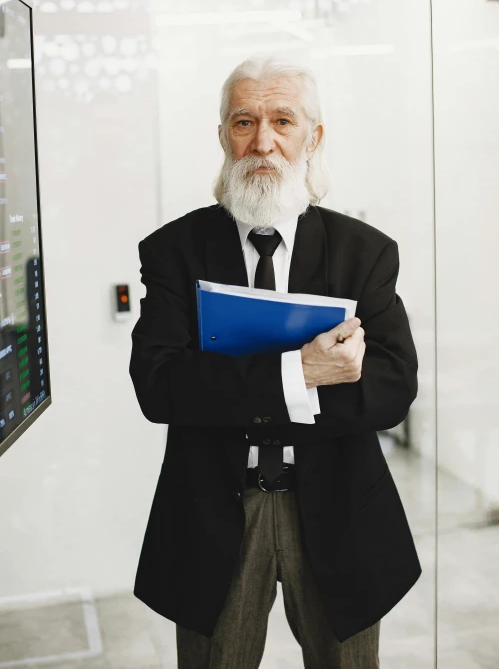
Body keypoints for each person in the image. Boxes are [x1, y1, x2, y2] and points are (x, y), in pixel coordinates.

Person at [129, 54, 421, 669]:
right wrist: (304, 372)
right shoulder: (174, 250)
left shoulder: (364, 253)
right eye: (243, 122)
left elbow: (394, 387)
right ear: (222, 136)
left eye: (282, 121)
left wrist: (231, 389)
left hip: (339, 507)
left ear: (312, 137)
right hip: (214, 508)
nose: (263, 142)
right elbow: (159, 387)